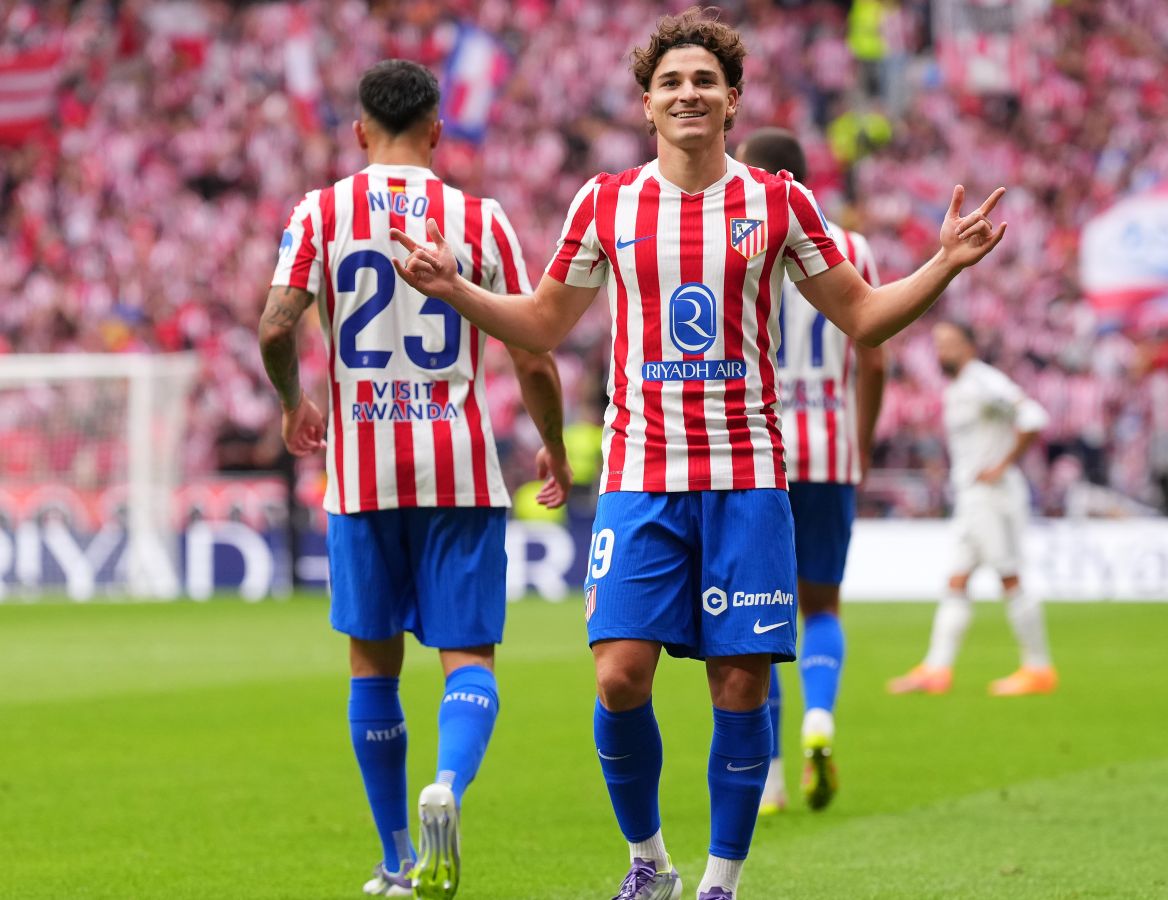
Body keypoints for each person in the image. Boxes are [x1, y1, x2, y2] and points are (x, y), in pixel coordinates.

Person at [390, 8, 1006, 898]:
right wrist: (456, 291)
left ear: (732, 100)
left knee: (740, 689)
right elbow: (543, 323)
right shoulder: (606, 202)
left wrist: (943, 263)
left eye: (705, 81)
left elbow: (865, 317)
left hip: (747, 478)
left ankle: (722, 879)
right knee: (618, 678)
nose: (688, 93)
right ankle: (649, 862)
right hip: (641, 475)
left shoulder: (778, 202)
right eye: (671, 82)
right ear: (647, 103)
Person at [257, 59, 571, 899]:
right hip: (458, 470)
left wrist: (293, 403)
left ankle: (396, 858)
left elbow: (275, 327)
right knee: (468, 659)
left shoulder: (321, 211)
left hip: (361, 476)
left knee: (372, 664)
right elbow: (532, 353)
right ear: (438, 130)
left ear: (360, 131)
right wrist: (553, 445)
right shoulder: (481, 219)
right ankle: (449, 786)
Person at [735, 127, 885, 817]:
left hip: (757, 451)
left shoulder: (739, 237)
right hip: (828, 448)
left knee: (756, 616)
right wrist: (861, 441)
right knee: (821, 605)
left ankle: (767, 776)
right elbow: (873, 356)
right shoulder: (852, 247)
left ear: (763, 174)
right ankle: (818, 717)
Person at [887, 321, 1055, 698]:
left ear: (970, 345)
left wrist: (1002, 464)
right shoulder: (959, 386)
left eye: (950, 343)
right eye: (938, 344)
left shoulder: (983, 381)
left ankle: (1038, 668)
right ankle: (936, 669)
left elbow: (1033, 417)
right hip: (971, 498)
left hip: (993, 496)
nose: (942, 351)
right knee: (956, 581)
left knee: (1008, 576)